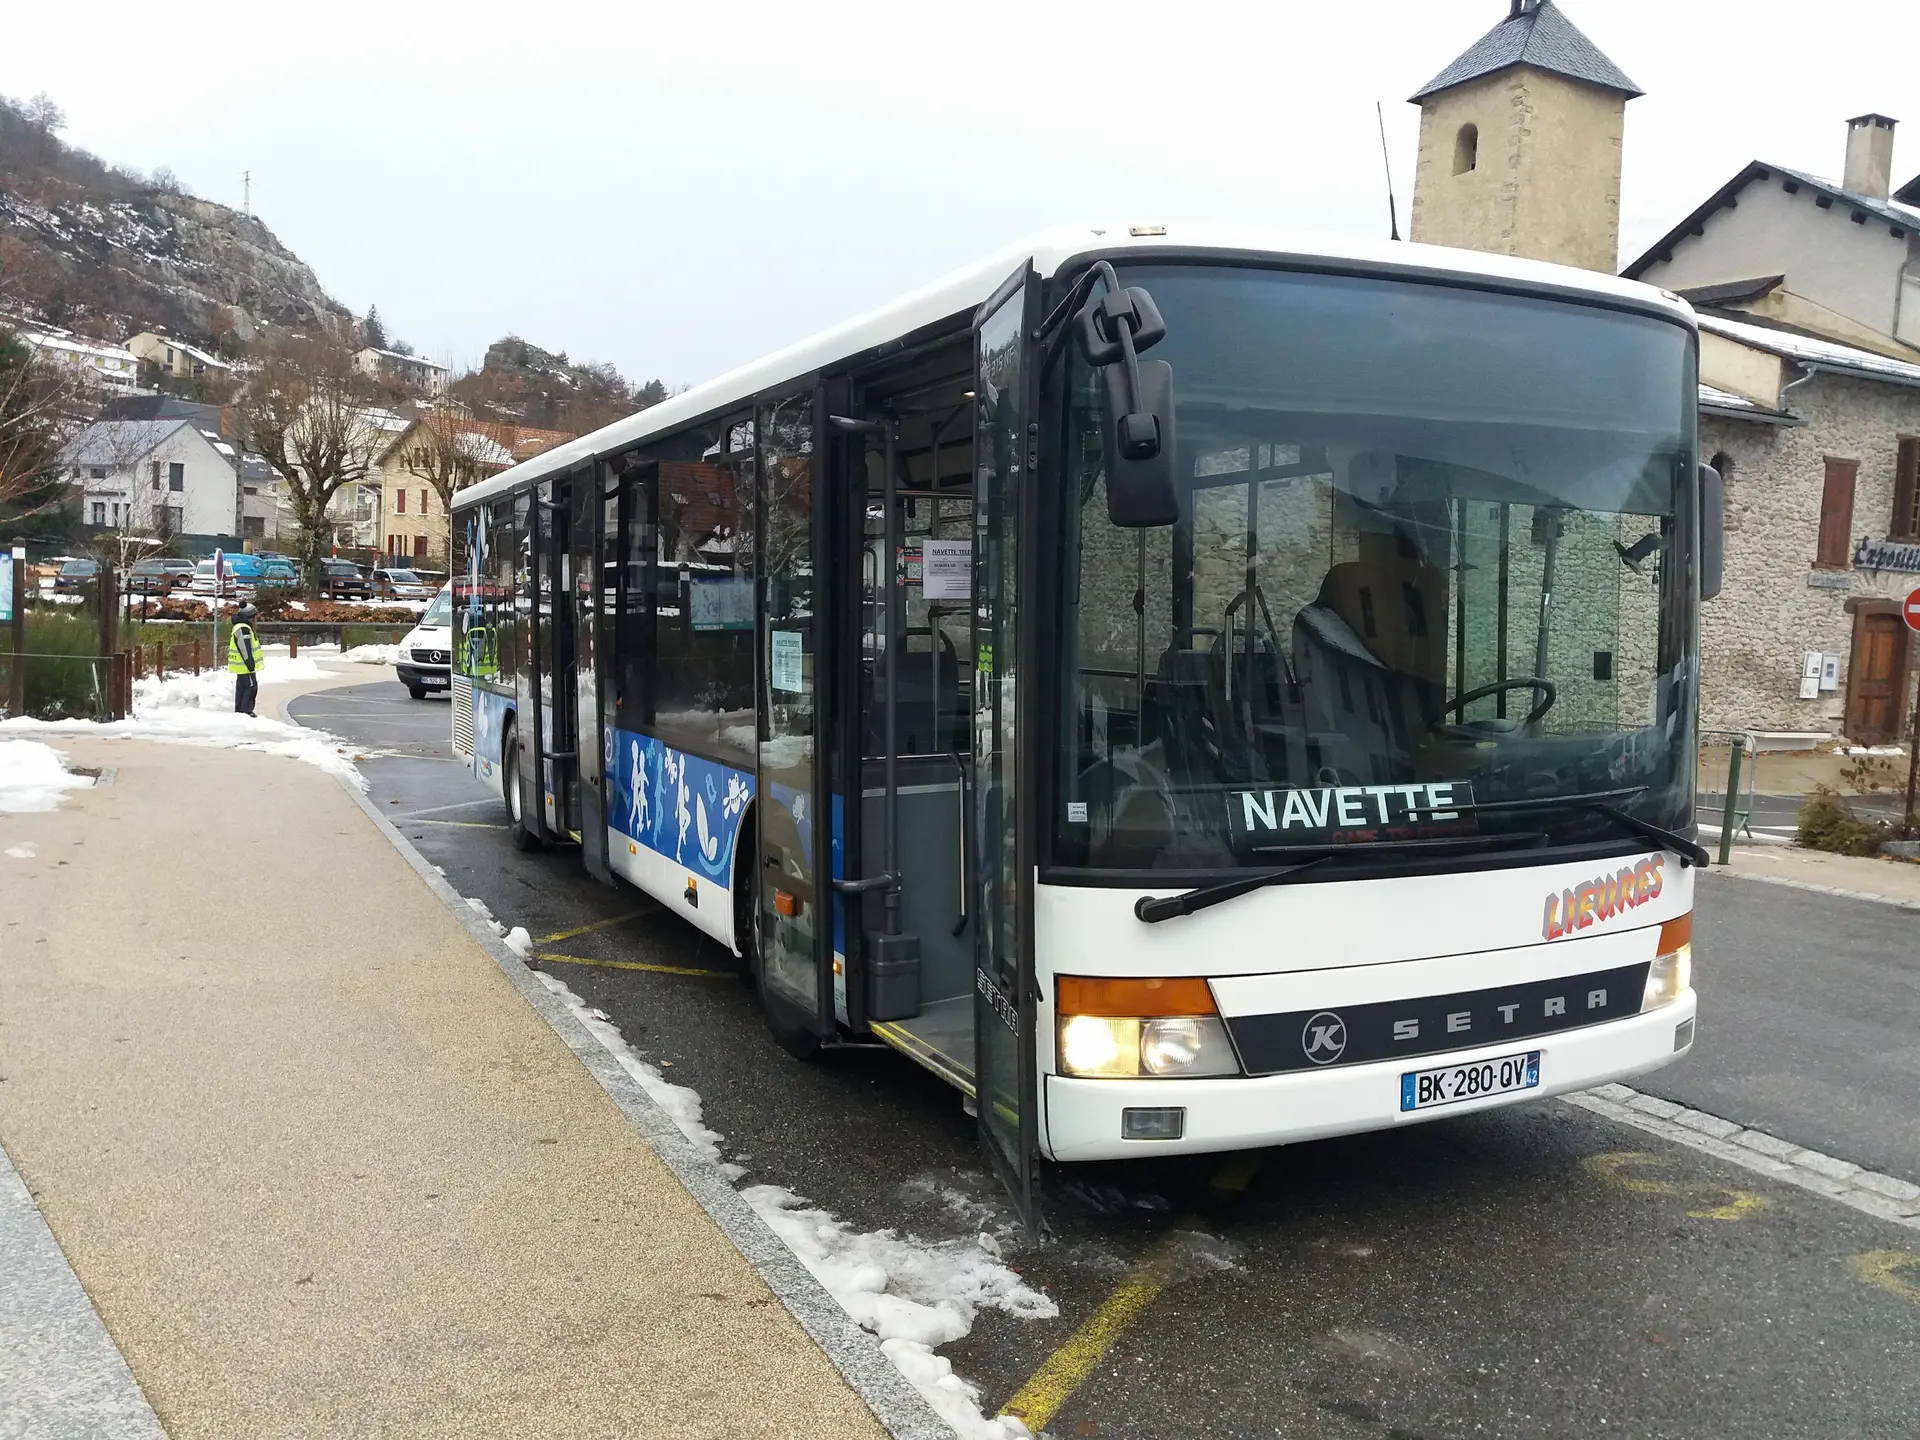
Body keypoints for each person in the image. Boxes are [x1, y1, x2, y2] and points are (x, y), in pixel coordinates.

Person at [228, 601, 262, 716]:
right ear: (250, 617)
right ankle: (246, 712)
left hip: (241, 667)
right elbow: (245, 648)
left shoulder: (241, 627)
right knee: (251, 688)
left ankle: (239, 712)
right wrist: (250, 663)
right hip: (245, 667)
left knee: (242, 689)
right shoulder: (243, 629)